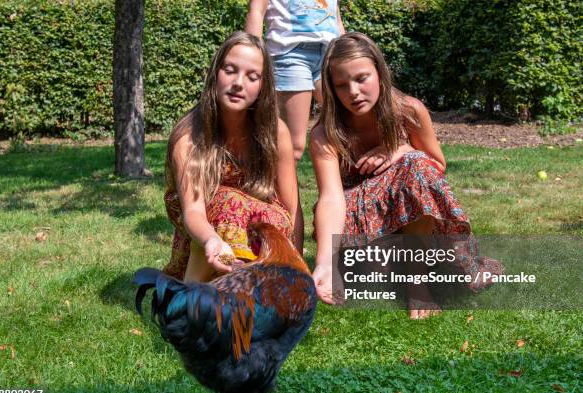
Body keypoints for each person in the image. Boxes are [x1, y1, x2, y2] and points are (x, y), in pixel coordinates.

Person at [310, 32, 502, 319]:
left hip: (405, 208)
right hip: (357, 220)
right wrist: (327, 261)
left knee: (415, 163)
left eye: (362, 78)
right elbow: (330, 199)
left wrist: (398, 151)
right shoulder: (325, 132)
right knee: (374, 275)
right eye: (341, 84)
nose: (353, 92)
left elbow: (435, 164)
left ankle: (417, 285)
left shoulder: (409, 111)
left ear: (379, 72)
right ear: (331, 87)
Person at [163, 31, 303, 282]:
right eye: (229, 70)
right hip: (207, 240)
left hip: (259, 234)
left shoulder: (275, 131)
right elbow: (193, 211)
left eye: (252, 77)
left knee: (262, 213)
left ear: (263, 86)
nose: (239, 83)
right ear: (215, 74)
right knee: (227, 201)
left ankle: (248, 284)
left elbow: (292, 208)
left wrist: (299, 268)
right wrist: (212, 241)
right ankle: (194, 296)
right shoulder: (188, 137)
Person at [245, 0, 345, 162]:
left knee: (345, 124)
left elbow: (336, 17)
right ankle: (275, 186)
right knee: (293, 145)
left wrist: (347, 52)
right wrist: (251, 60)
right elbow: (257, 10)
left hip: (331, 52)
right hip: (290, 53)